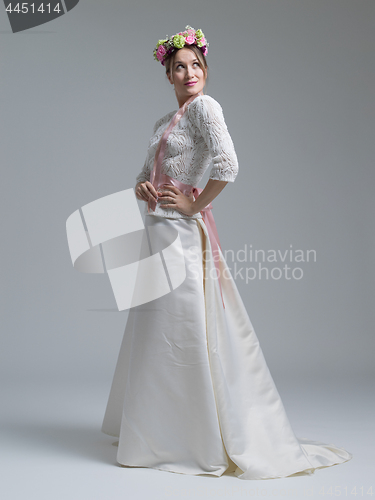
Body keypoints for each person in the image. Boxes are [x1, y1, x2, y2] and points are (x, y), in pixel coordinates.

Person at [101, 25, 352, 479]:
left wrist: (195, 203)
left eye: (196, 65)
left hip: (180, 234)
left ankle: (194, 438)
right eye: (179, 67)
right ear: (168, 75)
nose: (189, 72)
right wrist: (143, 187)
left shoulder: (205, 109)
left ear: (204, 70)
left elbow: (227, 164)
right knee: (156, 333)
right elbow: (144, 176)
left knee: (184, 331)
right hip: (154, 232)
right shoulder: (164, 123)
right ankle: (159, 432)